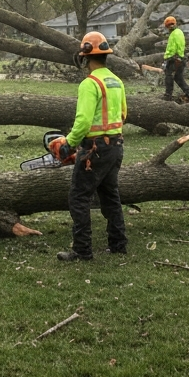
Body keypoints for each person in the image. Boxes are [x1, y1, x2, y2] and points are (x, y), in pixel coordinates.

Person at [58, 31, 128, 261]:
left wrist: (69, 143)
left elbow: (84, 121)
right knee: (110, 195)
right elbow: (124, 113)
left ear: (86, 57)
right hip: (115, 145)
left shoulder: (90, 84)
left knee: (78, 196)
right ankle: (118, 244)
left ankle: (82, 249)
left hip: (95, 148)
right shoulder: (116, 81)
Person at [161, 15, 189, 104]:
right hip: (179, 58)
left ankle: (168, 95)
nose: (170, 27)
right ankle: (188, 92)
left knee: (169, 76)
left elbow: (175, 47)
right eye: (169, 25)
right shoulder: (178, 32)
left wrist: (171, 57)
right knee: (178, 77)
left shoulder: (175, 33)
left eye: (171, 25)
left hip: (174, 58)